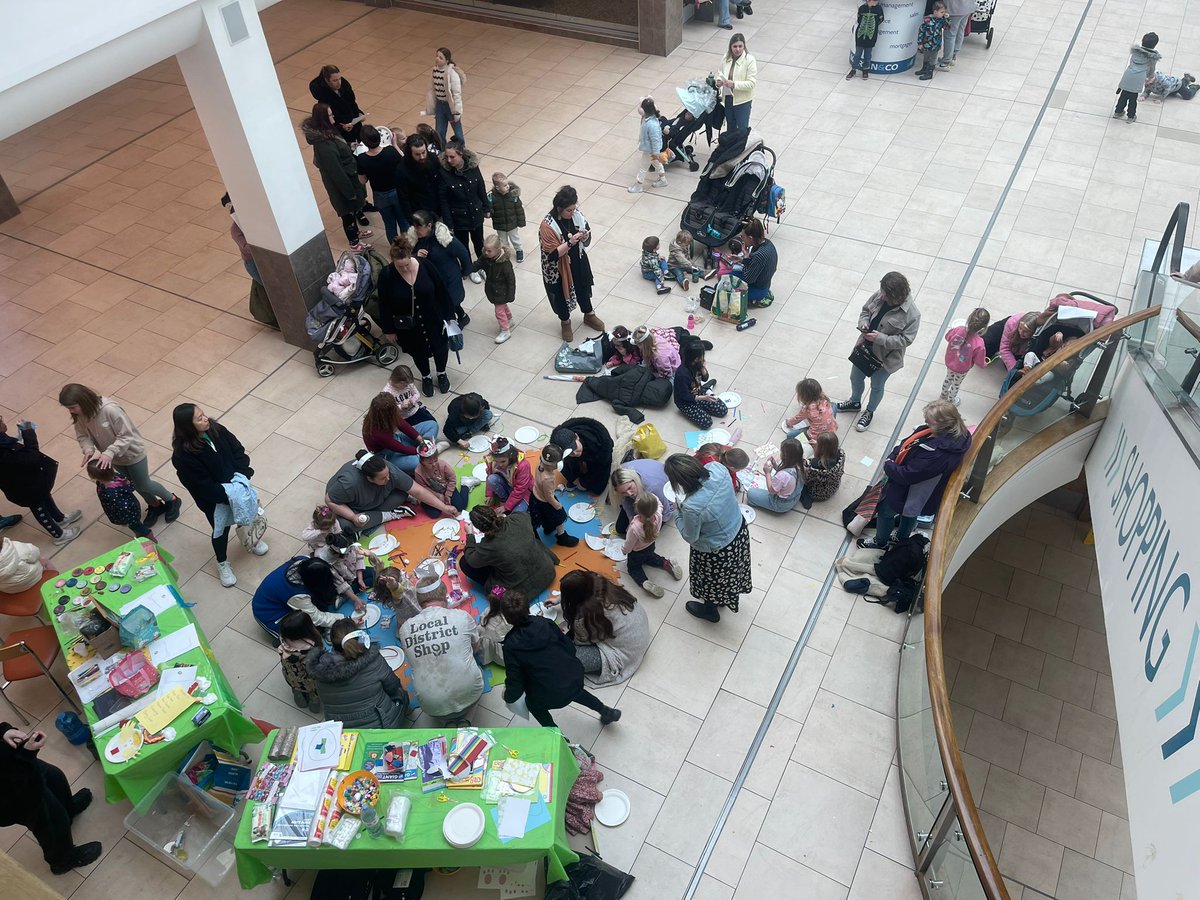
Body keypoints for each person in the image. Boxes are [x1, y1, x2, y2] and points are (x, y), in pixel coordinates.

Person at [60, 383, 181, 527]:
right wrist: (88, 449)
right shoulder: (80, 415)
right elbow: (82, 435)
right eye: (68, 408)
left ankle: (172, 499)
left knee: (143, 483)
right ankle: (155, 505)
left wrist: (109, 452)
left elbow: (126, 435)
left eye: (72, 407)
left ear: (84, 401)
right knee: (134, 484)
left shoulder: (111, 410)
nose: (70, 411)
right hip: (112, 458)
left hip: (132, 454)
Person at [170, 404, 264, 588]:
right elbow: (200, 485)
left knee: (247, 516)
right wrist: (228, 495)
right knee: (220, 530)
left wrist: (242, 475)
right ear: (187, 427)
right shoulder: (183, 455)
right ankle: (222, 562)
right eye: (199, 419)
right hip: (215, 501)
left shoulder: (216, 429)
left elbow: (237, 450)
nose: (205, 419)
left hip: (237, 486)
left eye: (203, 414)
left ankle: (250, 539)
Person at [499, 588, 621, 728]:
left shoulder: (510, 645)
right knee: (576, 692)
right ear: (527, 608)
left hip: (549, 693)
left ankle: (559, 740)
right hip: (574, 675)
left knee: (533, 705)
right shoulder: (545, 623)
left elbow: (515, 682)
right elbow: (569, 647)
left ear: (506, 618)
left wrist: (508, 696)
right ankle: (605, 711)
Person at [860, 400, 972, 549]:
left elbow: (907, 475)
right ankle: (901, 538)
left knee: (886, 511)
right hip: (920, 493)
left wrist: (889, 464)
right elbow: (906, 443)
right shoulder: (957, 436)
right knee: (911, 513)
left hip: (910, 491)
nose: (925, 422)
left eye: (929, 421)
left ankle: (880, 542)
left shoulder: (937, 454)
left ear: (943, 425)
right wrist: (894, 455)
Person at [0, 723, 100, 874]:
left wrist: (4, 731)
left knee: (54, 777)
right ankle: (62, 860)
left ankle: (68, 810)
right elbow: (16, 782)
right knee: (48, 819)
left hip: (13, 761)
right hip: (11, 795)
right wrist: (26, 755)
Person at [665, 453, 752, 623]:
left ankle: (710, 610)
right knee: (730, 573)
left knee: (710, 580)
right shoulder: (718, 469)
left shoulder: (692, 507)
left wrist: (677, 512)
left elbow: (690, 536)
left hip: (716, 549)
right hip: (738, 530)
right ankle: (723, 598)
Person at [835, 271, 921, 433]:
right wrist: (864, 322)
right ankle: (854, 402)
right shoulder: (880, 295)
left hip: (885, 359)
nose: (881, 296)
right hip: (864, 349)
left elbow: (906, 340)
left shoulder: (912, 315)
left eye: (885, 294)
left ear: (895, 296)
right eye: (881, 291)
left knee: (877, 386)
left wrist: (881, 338)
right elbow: (866, 310)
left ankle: (869, 411)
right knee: (855, 377)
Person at [399, 574, 483, 724]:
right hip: (471, 695)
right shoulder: (462, 617)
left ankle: (447, 724)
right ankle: (467, 722)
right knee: (476, 666)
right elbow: (476, 647)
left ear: (419, 601)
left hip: (433, 707)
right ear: (444, 595)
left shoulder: (405, 629)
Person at [377, 236, 454, 396]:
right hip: (408, 326)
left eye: (407, 264)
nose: (404, 269)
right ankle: (425, 376)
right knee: (418, 352)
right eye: (400, 266)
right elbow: (384, 303)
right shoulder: (386, 275)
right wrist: (389, 329)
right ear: (393, 261)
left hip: (433, 318)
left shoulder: (425, 265)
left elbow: (441, 291)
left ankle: (442, 373)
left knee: (440, 347)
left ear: (411, 256)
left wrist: (450, 316)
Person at [325, 450, 457, 533]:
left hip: (377, 501)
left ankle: (379, 516)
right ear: (369, 478)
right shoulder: (349, 483)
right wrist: (353, 517)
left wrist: (444, 507)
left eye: (388, 475)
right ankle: (390, 515)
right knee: (345, 525)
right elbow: (329, 500)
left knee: (402, 493)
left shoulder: (389, 470)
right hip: (354, 508)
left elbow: (418, 491)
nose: (388, 479)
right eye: (383, 478)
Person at [307, 619, 407, 729]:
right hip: (383, 724)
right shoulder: (373, 660)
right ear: (359, 638)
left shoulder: (320, 670)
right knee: (402, 694)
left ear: (332, 644)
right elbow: (393, 686)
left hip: (343, 732)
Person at [560, 570, 651, 686]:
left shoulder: (589, 614)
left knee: (565, 657)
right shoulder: (600, 583)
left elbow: (583, 641)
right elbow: (580, 591)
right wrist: (558, 600)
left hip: (624, 654)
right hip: (637, 630)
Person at [0, 416, 80, 545]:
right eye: (1, 422)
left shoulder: (3, 441)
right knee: (38, 507)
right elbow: (31, 456)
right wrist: (28, 432)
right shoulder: (3, 453)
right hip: (23, 487)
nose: (4, 423)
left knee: (44, 495)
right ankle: (58, 534)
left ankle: (59, 518)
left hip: (30, 480)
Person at [540, 185, 605, 342]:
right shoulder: (547, 225)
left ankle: (589, 314)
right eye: (569, 210)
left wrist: (584, 236)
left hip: (577, 259)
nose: (572, 212)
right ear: (559, 208)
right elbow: (552, 254)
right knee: (561, 294)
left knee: (582, 286)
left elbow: (587, 233)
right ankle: (565, 322)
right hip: (557, 268)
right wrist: (570, 243)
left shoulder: (577, 215)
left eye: (574, 209)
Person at [303, 102, 369, 249]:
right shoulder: (324, 144)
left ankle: (356, 233)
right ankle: (354, 242)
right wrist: (349, 192)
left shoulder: (329, 132)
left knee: (352, 210)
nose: (334, 117)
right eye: (331, 115)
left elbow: (339, 149)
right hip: (343, 184)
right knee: (348, 214)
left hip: (349, 176)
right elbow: (336, 171)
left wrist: (349, 147)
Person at [460, 505, 558, 598]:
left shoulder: (487, 546)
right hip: (547, 571)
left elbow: (471, 560)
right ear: (494, 513)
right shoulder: (518, 518)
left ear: (479, 529)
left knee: (464, 562)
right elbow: (523, 516)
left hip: (521, 591)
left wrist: (470, 535)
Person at [251, 556, 350, 634]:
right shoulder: (296, 594)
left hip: (281, 598)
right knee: (309, 632)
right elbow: (316, 618)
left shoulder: (305, 561)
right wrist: (344, 619)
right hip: (271, 615)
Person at [220, 193, 277, 329]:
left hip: (265, 261)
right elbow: (249, 250)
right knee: (268, 289)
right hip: (255, 264)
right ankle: (271, 317)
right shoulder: (236, 229)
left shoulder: (252, 219)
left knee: (267, 289)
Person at [407, 210, 474, 322]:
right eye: (414, 227)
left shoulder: (445, 238)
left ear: (429, 226)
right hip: (430, 280)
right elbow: (406, 257)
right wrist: (416, 256)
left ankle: (456, 322)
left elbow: (463, 253)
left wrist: (466, 271)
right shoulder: (413, 240)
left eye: (419, 227)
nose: (416, 230)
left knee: (450, 302)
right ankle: (459, 317)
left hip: (448, 278)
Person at [620, 491, 681, 598]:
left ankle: (644, 581)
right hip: (650, 546)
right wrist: (650, 497)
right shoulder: (658, 514)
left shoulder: (634, 527)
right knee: (651, 557)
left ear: (637, 509)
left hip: (636, 552)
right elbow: (658, 503)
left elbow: (629, 544)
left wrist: (624, 550)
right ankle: (667, 563)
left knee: (634, 568)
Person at [438, 141, 489, 263]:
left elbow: (481, 187)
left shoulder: (473, 167)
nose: (449, 160)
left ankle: (482, 265)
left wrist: (487, 207)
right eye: (447, 157)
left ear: (461, 155)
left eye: (452, 157)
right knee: (463, 245)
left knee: (479, 242)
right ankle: (469, 268)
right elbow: (443, 200)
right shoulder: (444, 173)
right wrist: (449, 223)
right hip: (459, 217)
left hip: (475, 213)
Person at [356, 124, 407, 242]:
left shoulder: (362, 159)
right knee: (404, 222)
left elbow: (362, 180)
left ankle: (396, 251)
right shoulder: (390, 152)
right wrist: (394, 145)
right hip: (397, 192)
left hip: (380, 196)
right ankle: (410, 249)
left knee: (390, 226)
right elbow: (404, 162)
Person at [86, 460, 155, 542]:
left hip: (128, 514)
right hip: (132, 506)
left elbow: (122, 508)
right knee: (135, 524)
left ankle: (148, 536)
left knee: (136, 526)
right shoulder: (118, 477)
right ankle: (140, 534)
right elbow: (131, 485)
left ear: (93, 476)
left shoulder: (109, 493)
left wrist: (123, 520)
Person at [362, 392, 431, 473]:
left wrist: (420, 439)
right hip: (387, 454)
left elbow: (402, 424)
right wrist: (421, 450)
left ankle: (426, 449)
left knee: (432, 425)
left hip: (396, 439)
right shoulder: (376, 432)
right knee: (416, 463)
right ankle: (428, 451)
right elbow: (401, 449)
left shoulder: (383, 415)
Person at [550, 417, 614, 495]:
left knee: (596, 488)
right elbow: (560, 462)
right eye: (570, 452)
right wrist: (573, 479)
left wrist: (584, 482)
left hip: (599, 453)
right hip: (578, 451)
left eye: (575, 447)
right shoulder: (561, 444)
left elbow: (600, 467)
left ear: (577, 437)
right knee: (567, 462)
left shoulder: (597, 445)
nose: (574, 453)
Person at [529, 445, 579, 547]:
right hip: (546, 501)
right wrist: (557, 505)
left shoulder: (540, 463)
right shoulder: (548, 478)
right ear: (556, 465)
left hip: (535, 496)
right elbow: (549, 497)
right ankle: (562, 537)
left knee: (544, 517)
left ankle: (548, 528)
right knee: (559, 517)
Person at [610, 461, 675, 534]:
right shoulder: (619, 478)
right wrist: (631, 521)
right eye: (623, 492)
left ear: (634, 480)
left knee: (645, 534)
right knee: (620, 529)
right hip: (644, 491)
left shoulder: (653, 487)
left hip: (661, 489)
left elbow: (667, 511)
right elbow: (626, 502)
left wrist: (656, 525)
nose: (629, 493)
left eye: (629, 488)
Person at [941, 308, 991, 404]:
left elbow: (948, 337)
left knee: (948, 377)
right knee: (956, 384)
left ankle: (943, 394)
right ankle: (951, 401)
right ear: (983, 328)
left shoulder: (958, 330)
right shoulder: (979, 343)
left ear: (968, 319)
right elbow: (979, 360)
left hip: (950, 362)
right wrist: (984, 364)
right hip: (962, 368)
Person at [276, 611, 323, 710]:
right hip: (308, 679)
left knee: (295, 685)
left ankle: (298, 694)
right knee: (314, 691)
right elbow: (316, 669)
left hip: (290, 673)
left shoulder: (283, 638)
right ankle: (314, 702)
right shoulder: (309, 649)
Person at [473, 234, 516, 343]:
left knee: (499, 311)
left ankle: (505, 330)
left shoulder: (505, 264)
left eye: (489, 251)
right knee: (502, 306)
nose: (486, 253)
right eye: (485, 250)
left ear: (497, 250)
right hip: (492, 289)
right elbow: (478, 264)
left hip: (501, 291)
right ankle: (509, 319)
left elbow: (511, 281)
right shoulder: (486, 258)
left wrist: (511, 295)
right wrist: (468, 269)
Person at [382, 364, 440, 442]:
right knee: (413, 435)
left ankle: (427, 442)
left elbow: (416, 394)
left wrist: (412, 400)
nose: (406, 386)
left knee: (433, 423)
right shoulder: (387, 392)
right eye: (404, 385)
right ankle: (425, 445)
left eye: (407, 384)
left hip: (415, 410)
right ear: (396, 380)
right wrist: (401, 406)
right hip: (403, 417)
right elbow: (388, 409)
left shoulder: (409, 384)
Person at [309, 64, 365, 144]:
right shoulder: (324, 100)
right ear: (327, 80)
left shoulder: (345, 87)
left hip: (355, 127)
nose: (339, 83)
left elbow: (352, 103)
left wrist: (359, 113)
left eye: (339, 79)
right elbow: (327, 124)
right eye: (335, 80)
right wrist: (342, 128)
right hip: (342, 136)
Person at [674, 345, 728, 428]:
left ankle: (706, 389)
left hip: (699, 391)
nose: (703, 358)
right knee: (707, 422)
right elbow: (684, 395)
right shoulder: (682, 374)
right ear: (695, 359)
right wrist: (704, 398)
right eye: (702, 355)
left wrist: (703, 368)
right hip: (686, 402)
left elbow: (705, 378)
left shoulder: (697, 365)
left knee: (723, 410)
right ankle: (706, 391)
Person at [747, 438, 804, 514]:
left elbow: (772, 491)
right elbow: (787, 477)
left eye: (782, 452)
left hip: (781, 504)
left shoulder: (783, 475)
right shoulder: (801, 465)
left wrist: (767, 473)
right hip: (795, 497)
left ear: (786, 456)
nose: (780, 454)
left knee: (750, 493)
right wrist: (775, 465)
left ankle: (760, 503)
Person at [1115, 32, 1161, 122]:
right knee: (1133, 98)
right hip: (1138, 78)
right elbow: (1151, 69)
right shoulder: (1152, 57)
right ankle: (1131, 116)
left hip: (1128, 75)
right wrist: (1150, 77)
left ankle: (1118, 112)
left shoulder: (1135, 51)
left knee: (1123, 95)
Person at [715, 34, 757, 131]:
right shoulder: (726, 57)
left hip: (742, 101)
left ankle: (740, 146)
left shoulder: (750, 60)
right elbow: (720, 72)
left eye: (740, 46)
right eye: (735, 46)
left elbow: (751, 83)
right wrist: (718, 82)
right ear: (730, 47)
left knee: (742, 129)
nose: (737, 49)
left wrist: (734, 84)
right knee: (730, 127)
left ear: (744, 46)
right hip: (728, 98)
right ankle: (730, 146)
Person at [397, 134, 442, 223]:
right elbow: (403, 198)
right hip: (419, 214)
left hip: (437, 208)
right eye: (417, 154)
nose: (422, 157)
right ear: (410, 153)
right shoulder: (402, 170)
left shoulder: (433, 158)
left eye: (423, 152)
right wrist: (412, 221)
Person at [316, 532, 371, 605]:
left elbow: (358, 559)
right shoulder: (328, 562)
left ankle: (351, 594)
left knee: (372, 574)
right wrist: (356, 600)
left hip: (356, 573)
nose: (346, 557)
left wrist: (360, 579)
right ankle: (344, 596)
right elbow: (339, 583)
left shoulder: (350, 545)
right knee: (344, 592)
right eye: (344, 555)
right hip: (347, 583)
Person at [426, 48, 466, 145]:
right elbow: (432, 89)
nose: (437, 59)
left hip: (450, 106)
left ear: (446, 60)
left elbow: (456, 94)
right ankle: (442, 151)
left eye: (441, 57)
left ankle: (461, 149)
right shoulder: (435, 70)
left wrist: (457, 112)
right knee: (439, 132)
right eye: (437, 56)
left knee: (457, 131)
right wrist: (432, 106)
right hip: (440, 105)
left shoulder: (452, 74)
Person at [414, 445, 469, 515]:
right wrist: (438, 496)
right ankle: (416, 500)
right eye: (430, 463)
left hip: (447, 488)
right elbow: (424, 488)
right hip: (432, 493)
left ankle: (465, 484)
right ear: (422, 462)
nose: (434, 464)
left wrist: (448, 494)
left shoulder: (443, 465)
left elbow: (452, 478)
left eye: (435, 460)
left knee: (461, 506)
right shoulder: (418, 472)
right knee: (434, 514)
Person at [628, 98, 667, 194]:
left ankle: (638, 185)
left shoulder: (652, 124)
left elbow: (655, 140)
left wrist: (656, 152)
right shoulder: (647, 119)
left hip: (650, 150)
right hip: (651, 149)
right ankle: (663, 180)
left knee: (643, 167)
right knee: (656, 163)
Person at [737, 217, 777, 307]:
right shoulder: (767, 243)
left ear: (750, 238)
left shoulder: (759, 255)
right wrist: (741, 260)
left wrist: (746, 257)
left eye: (743, 237)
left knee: (722, 286)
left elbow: (748, 279)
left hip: (758, 288)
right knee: (732, 272)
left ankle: (756, 298)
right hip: (764, 282)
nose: (742, 239)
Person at [485, 437, 532, 513]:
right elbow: (489, 475)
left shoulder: (523, 465)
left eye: (503, 461)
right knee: (491, 479)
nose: (499, 465)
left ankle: (510, 503)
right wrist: (489, 494)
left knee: (516, 514)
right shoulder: (491, 461)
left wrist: (506, 507)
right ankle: (504, 498)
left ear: (510, 457)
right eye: (496, 461)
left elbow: (520, 489)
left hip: (523, 492)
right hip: (507, 486)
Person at [783, 377, 837, 442]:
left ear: (803, 396)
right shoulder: (824, 399)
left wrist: (788, 423)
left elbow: (796, 419)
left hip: (817, 435)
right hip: (832, 429)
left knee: (790, 435)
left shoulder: (807, 409)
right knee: (834, 405)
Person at [489, 171, 526, 262]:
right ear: (497, 188)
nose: (508, 186)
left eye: (507, 184)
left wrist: (521, 221)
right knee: (502, 241)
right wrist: (489, 208)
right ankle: (506, 252)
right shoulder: (492, 197)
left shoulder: (513, 196)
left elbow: (519, 209)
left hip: (512, 223)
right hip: (500, 224)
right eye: (505, 185)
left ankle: (519, 250)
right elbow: (490, 210)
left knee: (515, 238)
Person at [801, 432, 845, 504]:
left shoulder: (815, 464)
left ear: (821, 448)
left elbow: (807, 477)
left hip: (818, 493)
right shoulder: (840, 454)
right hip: (833, 486)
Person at [848, 0, 886, 79]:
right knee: (857, 54)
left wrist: (873, 27)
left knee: (867, 54)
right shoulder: (862, 8)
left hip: (871, 35)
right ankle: (853, 69)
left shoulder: (879, 9)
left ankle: (865, 70)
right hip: (860, 35)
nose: (876, 2)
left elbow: (881, 19)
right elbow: (859, 20)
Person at [916, 2, 949, 81]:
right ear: (935, 12)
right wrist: (919, 43)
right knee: (926, 56)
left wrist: (947, 19)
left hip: (936, 44)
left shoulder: (942, 20)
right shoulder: (927, 20)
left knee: (933, 59)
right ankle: (924, 69)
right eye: (942, 12)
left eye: (944, 12)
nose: (943, 14)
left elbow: (947, 28)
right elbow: (921, 31)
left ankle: (929, 73)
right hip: (927, 43)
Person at [940, 0, 974, 68]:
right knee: (960, 32)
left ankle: (946, 61)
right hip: (968, 7)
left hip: (954, 9)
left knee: (950, 35)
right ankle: (953, 55)